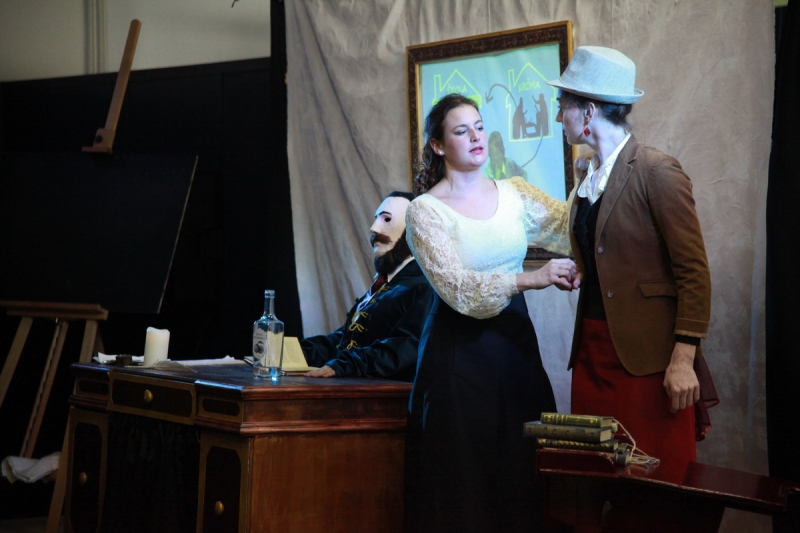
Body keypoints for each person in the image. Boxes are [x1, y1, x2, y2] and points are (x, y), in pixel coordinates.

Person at [404, 93, 576, 533]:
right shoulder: (425, 211)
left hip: (516, 349)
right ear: (438, 146)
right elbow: (458, 289)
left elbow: (569, 227)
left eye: (479, 127)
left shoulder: (514, 192)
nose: (476, 137)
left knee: (522, 472)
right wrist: (532, 278)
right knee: (464, 482)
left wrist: (597, 176)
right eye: (461, 131)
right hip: (459, 355)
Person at [546, 46, 715, 475]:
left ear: (589, 111)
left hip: (646, 361)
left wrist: (683, 359)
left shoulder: (656, 171)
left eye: (563, 105)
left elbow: (693, 272)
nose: (557, 115)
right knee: (598, 476)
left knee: (654, 479)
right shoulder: (588, 176)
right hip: (593, 353)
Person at [301, 191, 434, 382]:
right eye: (376, 218)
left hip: (392, 395)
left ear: (413, 230)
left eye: (387, 219)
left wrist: (346, 365)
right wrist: (295, 352)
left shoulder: (423, 287)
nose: (374, 228)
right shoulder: (384, 286)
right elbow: (344, 341)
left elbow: (405, 347)